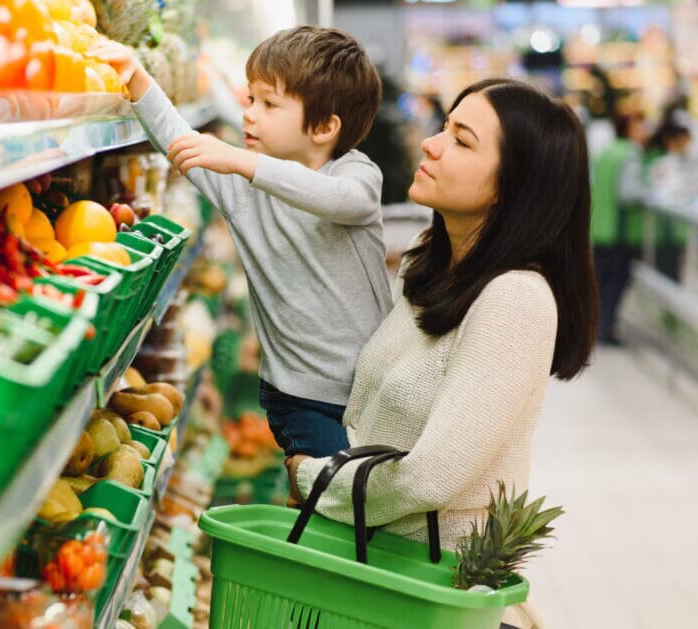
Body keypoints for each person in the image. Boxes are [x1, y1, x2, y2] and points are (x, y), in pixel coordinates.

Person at [285, 79, 598, 629]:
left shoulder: (515, 299)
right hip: (375, 580)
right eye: (443, 127)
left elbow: (432, 476)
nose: (430, 144)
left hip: (440, 595)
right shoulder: (426, 263)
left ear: (510, 185)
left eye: (461, 140)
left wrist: (314, 480)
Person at [89, 27, 391, 458]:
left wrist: (245, 161)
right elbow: (179, 141)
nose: (249, 114)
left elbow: (342, 200)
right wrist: (137, 79)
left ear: (325, 127)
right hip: (298, 397)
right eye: (251, 99)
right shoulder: (242, 189)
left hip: (372, 387)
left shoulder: (354, 174)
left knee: (363, 492)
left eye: (269, 104)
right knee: (331, 491)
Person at [591, 111, 647, 345]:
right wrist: (648, 194)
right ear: (629, 128)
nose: (643, 130)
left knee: (600, 281)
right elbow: (628, 194)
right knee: (616, 282)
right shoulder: (630, 154)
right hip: (619, 231)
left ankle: (594, 328)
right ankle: (605, 330)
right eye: (639, 125)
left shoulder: (606, 151)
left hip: (599, 229)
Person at [646, 117, 693, 282]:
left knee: (675, 271)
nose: (685, 144)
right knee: (666, 270)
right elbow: (662, 194)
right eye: (682, 140)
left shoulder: (687, 163)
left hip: (680, 230)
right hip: (664, 230)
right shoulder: (661, 163)